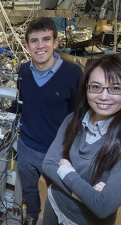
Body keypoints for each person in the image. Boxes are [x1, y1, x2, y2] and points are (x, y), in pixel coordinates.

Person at [7, 17, 83, 225]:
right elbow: (19, 102)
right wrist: (6, 117)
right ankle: (32, 216)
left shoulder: (73, 73)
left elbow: (77, 116)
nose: (40, 46)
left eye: (46, 39)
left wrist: (70, 152)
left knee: (59, 193)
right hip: (27, 147)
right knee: (29, 188)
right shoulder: (22, 70)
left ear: (55, 43)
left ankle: (55, 219)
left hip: (56, 151)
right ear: (27, 45)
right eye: (34, 41)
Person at [42, 53, 121, 225]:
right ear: (86, 89)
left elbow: (102, 207)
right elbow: (48, 165)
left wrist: (66, 171)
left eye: (115, 88)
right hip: (55, 204)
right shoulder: (72, 119)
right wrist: (89, 195)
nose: (104, 96)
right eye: (96, 86)